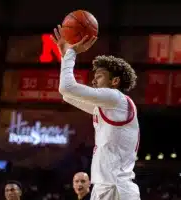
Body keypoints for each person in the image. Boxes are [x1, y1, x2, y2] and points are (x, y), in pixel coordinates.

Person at [51, 25, 140, 200]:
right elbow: (67, 94)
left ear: (114, 81)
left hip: (115, 189)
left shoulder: (115, 98)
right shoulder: (107, 107)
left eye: (99, 76)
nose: (93, 80)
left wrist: (71, 53)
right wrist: (64, 56)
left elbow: (67, 87)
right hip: (106, 187)